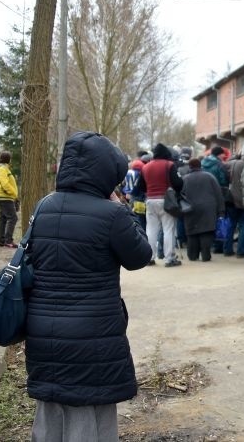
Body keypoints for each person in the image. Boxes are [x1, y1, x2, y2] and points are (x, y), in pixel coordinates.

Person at [25, 131, 153, 442]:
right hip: (94, 333)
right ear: (107, 173)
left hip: (44, 330)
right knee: (91, 411)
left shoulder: (44, 206)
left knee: (51, 407)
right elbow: (140, 256)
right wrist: (122, 209)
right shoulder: (111, 214)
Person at [136, 143, 184, 266]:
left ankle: (150, 257)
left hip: (150, 200)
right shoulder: (169, 165)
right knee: (168, 229)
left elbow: (140, 186)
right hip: (166, 200)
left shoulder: (146, 167)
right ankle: (169, 258)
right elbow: (178, 183)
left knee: (151, 230)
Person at [181, 158, 225, 262]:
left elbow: (180, 195)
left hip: (190, 208)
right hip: (208, 208)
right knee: (206, 231)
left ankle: (192, 255)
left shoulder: (184, 179)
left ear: (190, 166)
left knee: (192, 232)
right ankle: (206, 255)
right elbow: (218, 194)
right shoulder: (210, 177)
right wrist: (221, 210)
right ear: (200, 165)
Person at [0, 151, 18, 248]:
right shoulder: (2, 168)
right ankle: (8, 241)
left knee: (3, 218)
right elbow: (5, 184)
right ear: (8, 159)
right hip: (5, 196)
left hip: (2, 196)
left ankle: (1, 241)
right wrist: (13, 193)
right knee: (13, 218)